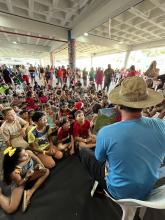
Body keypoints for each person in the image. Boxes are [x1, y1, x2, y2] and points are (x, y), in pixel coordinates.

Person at [79, 76, 165, 200]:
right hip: (148, 188)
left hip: (119, 191)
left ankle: (100, 188)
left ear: (119, 105)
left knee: (84, 152)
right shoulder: (162, 125)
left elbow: (100, 158)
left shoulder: (106, 132)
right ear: (144, 104)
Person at [1, 147, 49, 213]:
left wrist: (40, 166)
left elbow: (36, 159)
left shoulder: (28, 152)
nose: (26, 154)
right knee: (11, 209)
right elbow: (19, 183)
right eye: (23, 156)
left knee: (46, 171)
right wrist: (26, 177)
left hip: (28, 175)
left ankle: (30, 192)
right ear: (17, 160)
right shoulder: (16, 170)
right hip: (20, 182)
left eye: (25, 152)